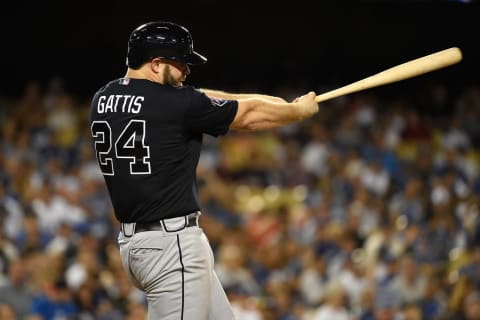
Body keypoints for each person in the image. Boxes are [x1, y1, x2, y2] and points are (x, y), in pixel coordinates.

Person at [89, 20, 319, 320]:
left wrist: (283, 104)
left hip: (137, 245)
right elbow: (248, 117)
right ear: (156, 64)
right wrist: (297, 112)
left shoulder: (102, 98)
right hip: (171, 248)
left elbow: (202, 98)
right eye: (181, 62)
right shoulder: (178, 104)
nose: (187, 70)